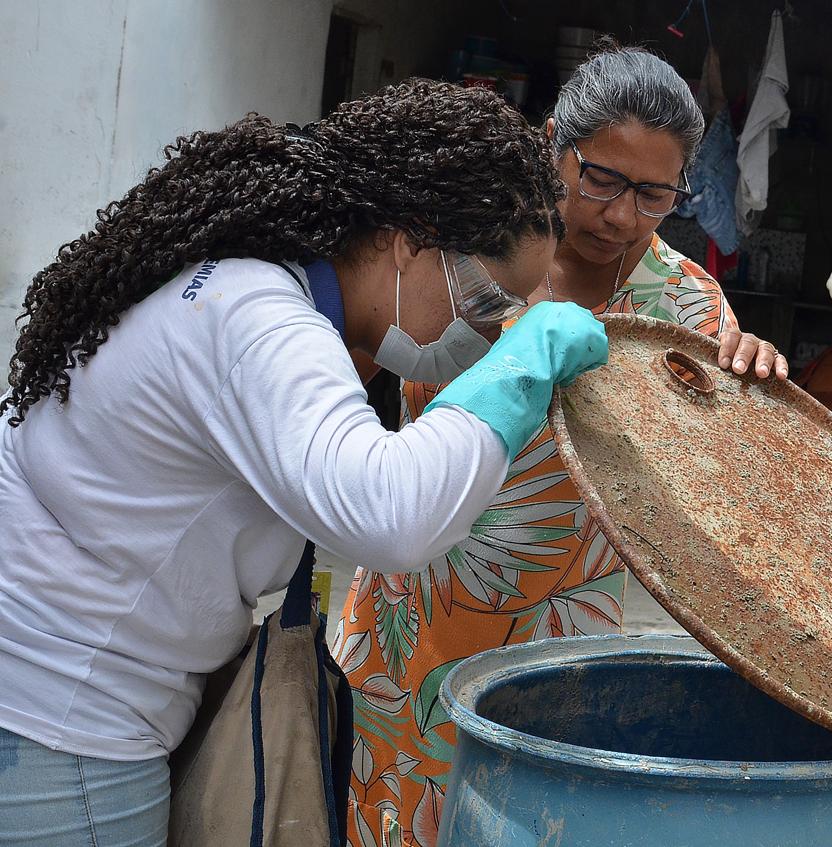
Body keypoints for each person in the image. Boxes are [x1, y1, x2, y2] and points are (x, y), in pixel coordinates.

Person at [0, 79, 606, 845]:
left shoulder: (242, 280)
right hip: (63, 722)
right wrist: (527, 360)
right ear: (409, 239)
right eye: (489, 304)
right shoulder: (261, 321)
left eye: (510, 322)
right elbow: (391, 514)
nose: (488, 334)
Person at [337, 45, 787, 847]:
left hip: (554, 656)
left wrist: (756, 392)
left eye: (654, 193)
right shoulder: (461, 255)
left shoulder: (684, 307)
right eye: (602, 179)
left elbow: (719, 496)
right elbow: (345, 361)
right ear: (554, 143)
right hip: (411, 624)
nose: (621, 214)